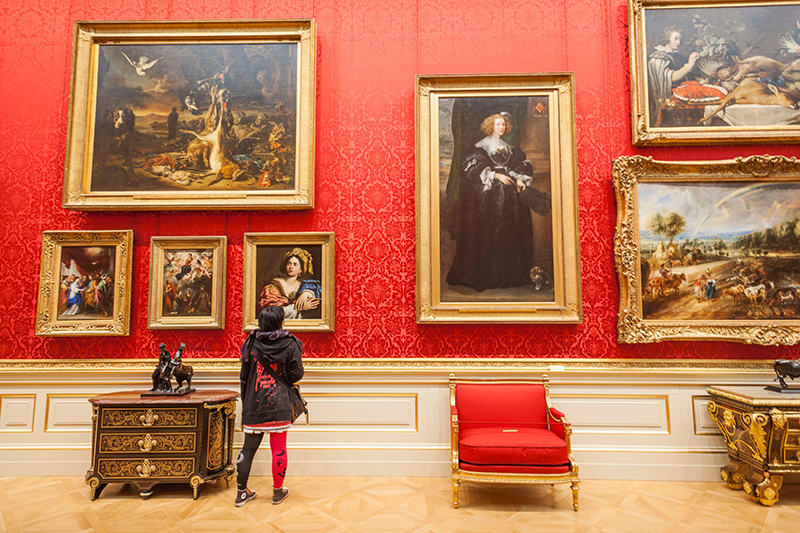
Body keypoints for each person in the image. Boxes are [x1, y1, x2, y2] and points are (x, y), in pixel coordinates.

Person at [445, 112, 536, 291]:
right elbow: (470, 168)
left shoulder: (509, 148)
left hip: (509, 198)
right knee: (488, 231)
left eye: (503, 124)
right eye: (498, 124)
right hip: (487, 197)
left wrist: (518, 178)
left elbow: (520, 164)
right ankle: (487, 277)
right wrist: (495, 175)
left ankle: (508, 276)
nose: (501, 127)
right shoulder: (480, 147)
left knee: (508, 230)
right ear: (490, 126)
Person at [236, 306, 304, 507]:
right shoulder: (290, 343)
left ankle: (241, 494)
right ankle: (277, 492)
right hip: (279, 402)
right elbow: (297, 374)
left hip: (254, 403)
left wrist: (245, 401)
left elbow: (244, 376)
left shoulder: (251, 342)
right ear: (280, 322)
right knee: (279, 448)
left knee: (248, 449)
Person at [647, 28, 700, 125]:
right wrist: (689, 65)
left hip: (680, 96)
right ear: (667, 39)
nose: (678, 42)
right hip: (667, 97)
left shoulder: (677, 56)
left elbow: (687, 77)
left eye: (679, 39)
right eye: (675, 39)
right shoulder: (657, 58)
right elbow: (671, 77)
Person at [257, 248, 321, 319]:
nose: (291, 267)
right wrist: (298, 308)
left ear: (301, 270)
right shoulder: (273, 286)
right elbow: (271, 314)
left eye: (295, 264)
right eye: (289, 263)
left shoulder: (303, 286)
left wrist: (306, 293)